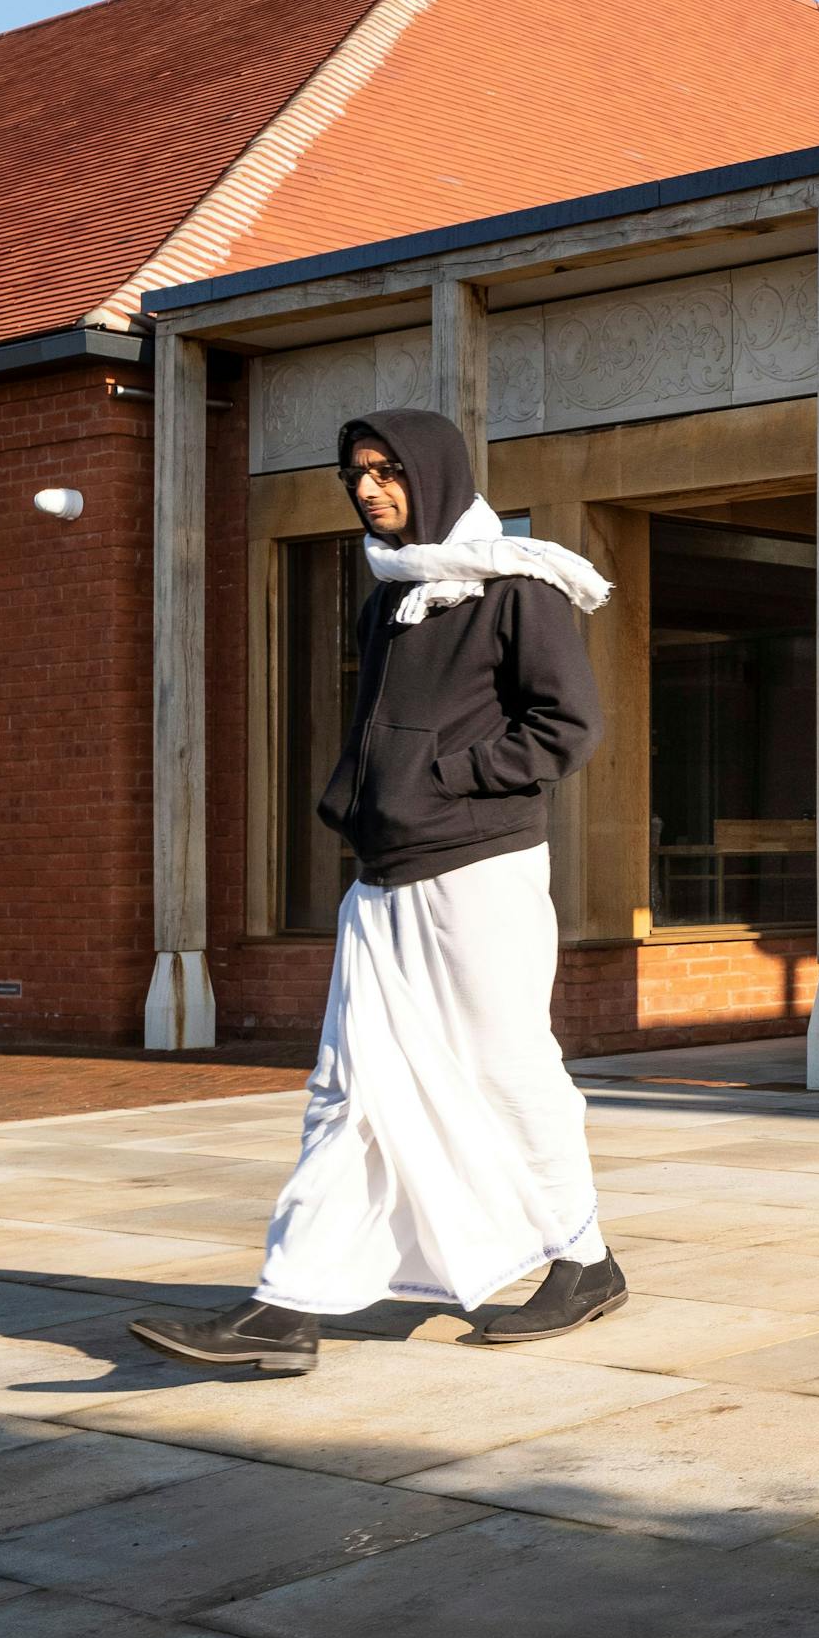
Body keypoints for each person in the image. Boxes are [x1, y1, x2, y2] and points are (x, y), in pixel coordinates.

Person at [132, 409, 624, 1374]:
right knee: (348, 1086)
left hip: (479, 870)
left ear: (431, 474)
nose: (367, 488)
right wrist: (363, 801)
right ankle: (288, 1307)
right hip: (384, 876)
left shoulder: (516, 588)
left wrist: (442, 779)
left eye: (387, 470)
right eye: (355, 472)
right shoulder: (390, 597)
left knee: (508, 1069)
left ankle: (585, 1261)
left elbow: (567, 727)